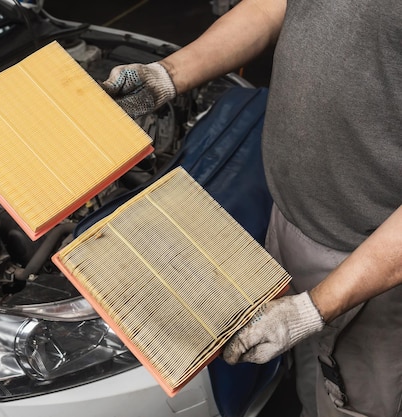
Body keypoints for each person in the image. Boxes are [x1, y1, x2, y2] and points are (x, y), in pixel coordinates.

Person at [101, 1, 402, 416]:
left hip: (372, 267)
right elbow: (273, 6)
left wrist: (313, 309)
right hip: (288, 216)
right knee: (308, 383)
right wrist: (167, 76)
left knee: (353, 401)